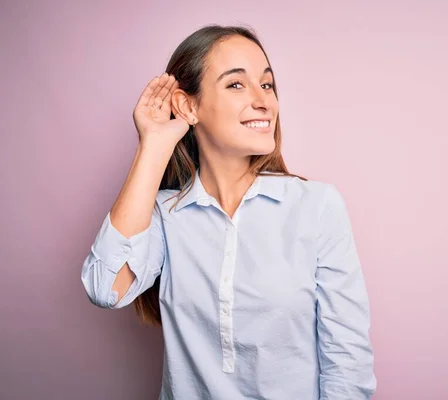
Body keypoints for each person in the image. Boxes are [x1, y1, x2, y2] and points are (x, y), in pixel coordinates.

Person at [81, 24, 376, 400]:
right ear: (189, 106)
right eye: (236, 84)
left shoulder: (316, 206)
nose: (263, 100)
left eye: (267, 85)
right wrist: (153, 146)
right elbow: (105, 289)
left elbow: (347, 361)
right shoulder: (163, 215)